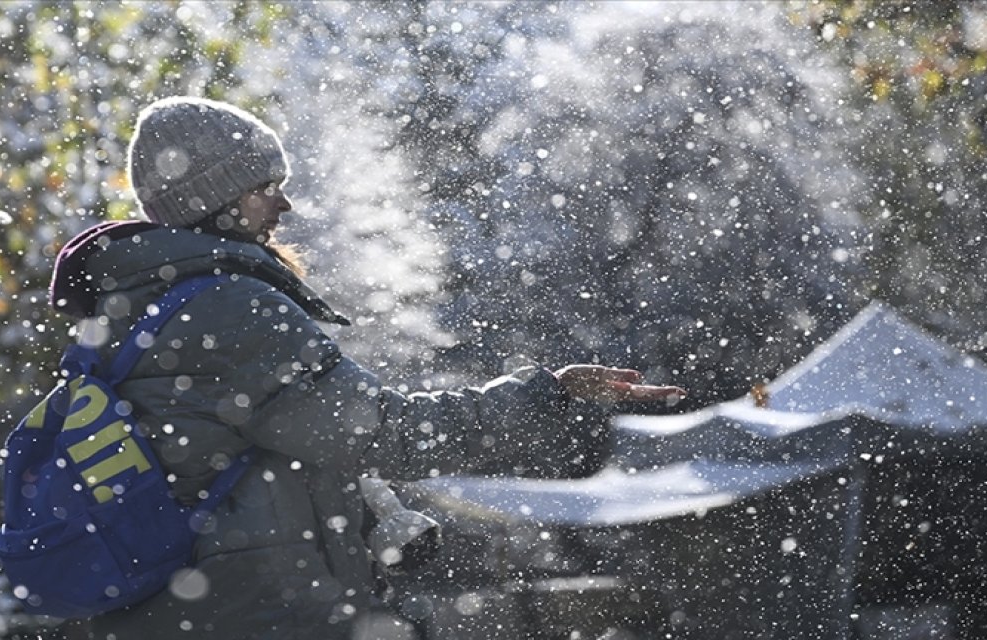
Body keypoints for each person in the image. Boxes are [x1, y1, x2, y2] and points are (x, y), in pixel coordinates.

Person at [49, 96, 685, 639]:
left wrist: (379, 518)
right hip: (266, 610)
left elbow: (285, 442)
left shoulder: (135, 310)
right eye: (265, 187)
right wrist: (541, 394)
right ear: (218, 200)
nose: (284, 206)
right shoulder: (228, 307)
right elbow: (377, 429)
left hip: (189, 603)